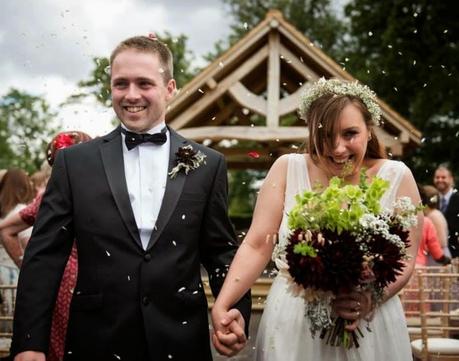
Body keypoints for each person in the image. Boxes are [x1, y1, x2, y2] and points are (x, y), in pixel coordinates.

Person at [11, 35, 251, 361]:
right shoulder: (75, 164)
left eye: (144, 83)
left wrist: (237, 312)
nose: (131, 95)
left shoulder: (207, 164)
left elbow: (222, 253)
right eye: (120, 84)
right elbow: (43, 257)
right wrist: (29, 342)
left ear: (169, 88)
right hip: (96, 342)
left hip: (180, 342)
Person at [211, 78, 422, 361]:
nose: (337, 149)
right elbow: (257, 244)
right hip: (294, 323)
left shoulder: (397, 176)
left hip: (370, 326)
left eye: (350, 134)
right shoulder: (287, 168)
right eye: (325, 135)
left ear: (370, 131)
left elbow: (406, 259)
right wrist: (222, 304)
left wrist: (369, 299)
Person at [0, 131, 91, 361]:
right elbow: (6, 230)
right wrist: (26, 265)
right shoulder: (52, 195)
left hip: (79, 285)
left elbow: (6, 230)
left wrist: (25, 265)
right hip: (65, 286)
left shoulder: (54, 194)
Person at [0, 168, 34, 284]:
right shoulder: (21, 212)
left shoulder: (3, 213)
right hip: (18, 275)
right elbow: (29, 243)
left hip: (4, 275)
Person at [434, 165, 459, 258]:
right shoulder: (431, 200)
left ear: (451, 179)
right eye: (437, 177)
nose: (440, 180)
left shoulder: (458, 198)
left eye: (443, 177)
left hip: (456, 251)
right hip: (436, 253)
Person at [421, 185, 451, 264]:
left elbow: (441, 240)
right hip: (435, 254)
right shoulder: (433, 214)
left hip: (437, 255)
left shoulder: (433, 216)